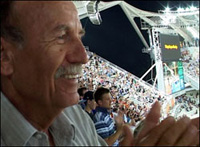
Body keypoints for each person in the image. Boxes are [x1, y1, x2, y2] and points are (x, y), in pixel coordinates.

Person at [1, 1, 199, 146]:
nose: (83, 57)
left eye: (79, 37)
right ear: (5, 57)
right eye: (61, 37)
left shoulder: (76, 118)